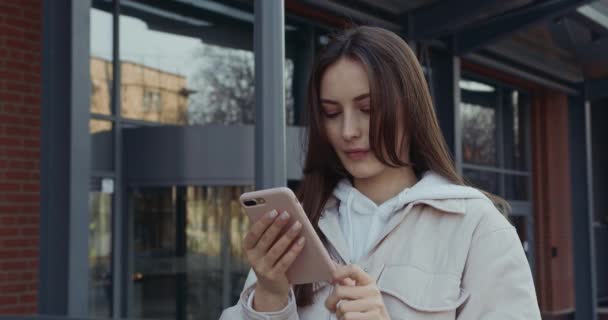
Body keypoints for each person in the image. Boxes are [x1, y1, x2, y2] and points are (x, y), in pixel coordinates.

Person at [220, 26, 541, 320]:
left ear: (410, 107)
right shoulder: (301, 224)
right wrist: (269, 298)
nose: (347, 131)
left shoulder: (476, 227)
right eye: (331, 113)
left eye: (368, 109)